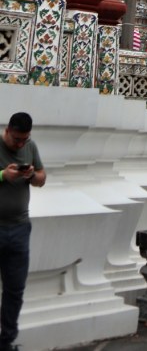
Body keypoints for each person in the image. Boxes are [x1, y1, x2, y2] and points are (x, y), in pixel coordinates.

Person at [0, 112, 47, 351]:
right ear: (7, 131)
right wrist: (2, 175)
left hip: (19, 228)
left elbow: (42, 177)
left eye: (24, 140)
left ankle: (6, 340)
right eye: (16, 139)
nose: (20, 145)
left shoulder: (30, 147)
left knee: (15, 288)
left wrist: (31, 175)